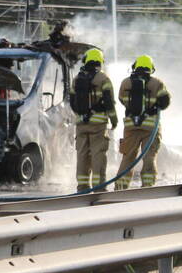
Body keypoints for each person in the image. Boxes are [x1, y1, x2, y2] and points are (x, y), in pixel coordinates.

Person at [114, 55, 170, 190]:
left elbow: (121, 99)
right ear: (151, 68)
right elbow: (165, 102)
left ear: (135, 66)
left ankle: (120, 187)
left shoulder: (125, 82)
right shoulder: (157, 83)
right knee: (149, 157)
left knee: (128, 157)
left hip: (130, 126)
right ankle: (147, 186)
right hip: (150, 127)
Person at [70, 48, 118, 191]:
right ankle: (99, 187)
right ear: (100, 62)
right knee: (98, 154)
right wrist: (114, 120)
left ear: (86, 61)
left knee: (82, 155)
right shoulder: (104, 79)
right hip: (98, 124)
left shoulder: (76, 79)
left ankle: (83, 186)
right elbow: (109, 103)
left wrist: (81, 115)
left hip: (81, 124)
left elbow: (72, 103)